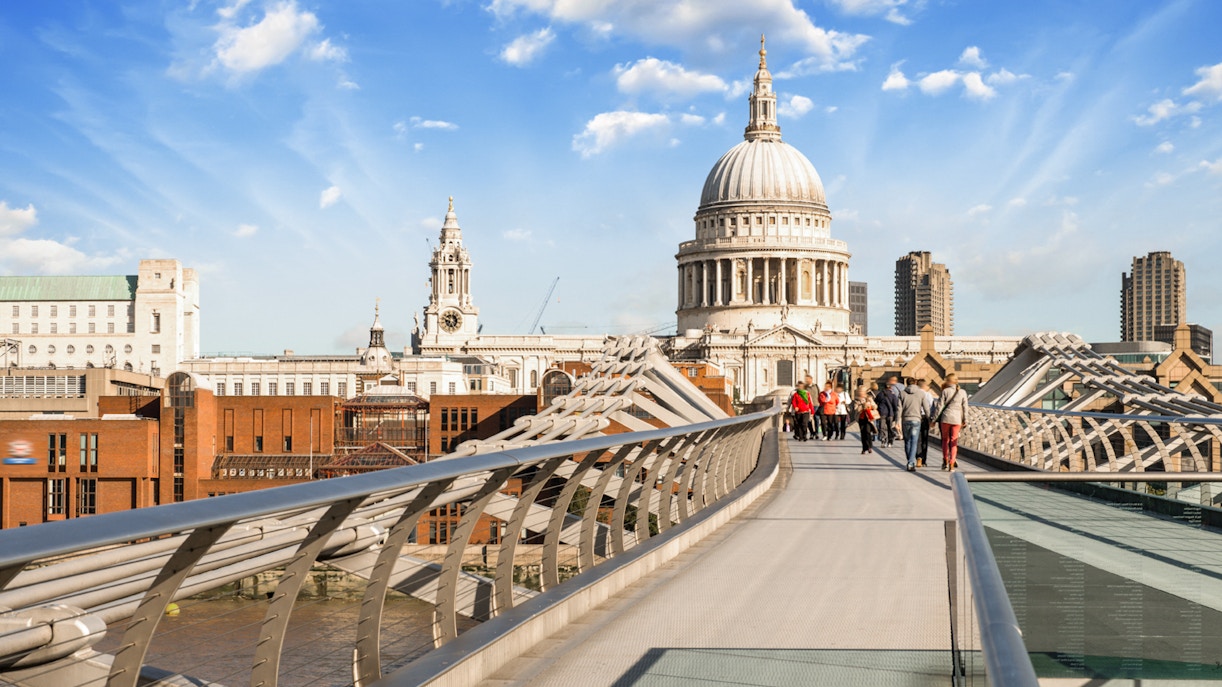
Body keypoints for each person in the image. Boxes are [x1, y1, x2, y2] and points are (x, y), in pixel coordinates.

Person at [938, 374, 970, 471]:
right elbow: (965, 407)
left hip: (946, 418)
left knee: (945, 440)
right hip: (957, 419)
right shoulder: (962, 392)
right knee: (954, 441)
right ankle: (952, 463)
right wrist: (965, 419)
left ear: (948, 381)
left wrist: (934, 419)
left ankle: (945, 460)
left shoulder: (945, 391)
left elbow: (939, 406)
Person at [899, 377, 931, 471]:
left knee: (907, 441)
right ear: (915, 383)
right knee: (914, 441)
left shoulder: (902, 393)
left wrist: (897, 421)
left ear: (906, 383)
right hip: (917, 419)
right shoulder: (921, 393)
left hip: (905, 419)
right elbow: (926, 408)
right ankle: (911, 462)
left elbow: (899, 409)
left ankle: (910, 459)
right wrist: (929, 419)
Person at [875, 377, 900, 447]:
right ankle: (890, 441)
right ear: (891, 388)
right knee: (889, 427)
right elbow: (895, 405)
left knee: (882, 427)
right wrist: (895, 414)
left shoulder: (880, 394)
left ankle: (883, 439)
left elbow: (876, 402)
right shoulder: (893, 395)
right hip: (890, 413)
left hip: (882, 412)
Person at [916, 379, 937, 468]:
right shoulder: (928, 395)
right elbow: (932, 408)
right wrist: (931, 419)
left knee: (917, 439)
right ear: (924, 385)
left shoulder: (915, 394)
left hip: (916, 417)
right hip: (925, 418)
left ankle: (918, 458)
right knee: (925, 439)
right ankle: (924, 460)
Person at [853, 386, 877, 454]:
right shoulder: (857, 400)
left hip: (869, 418)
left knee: (868, 432)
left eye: (862, 392)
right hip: (861, 418)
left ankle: (869, 446)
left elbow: (875, 406)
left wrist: (870, 406)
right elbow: (855, 409)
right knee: (863, 433)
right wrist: (862, 406)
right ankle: (864, 448)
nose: (861, 394)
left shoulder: (869, 398)